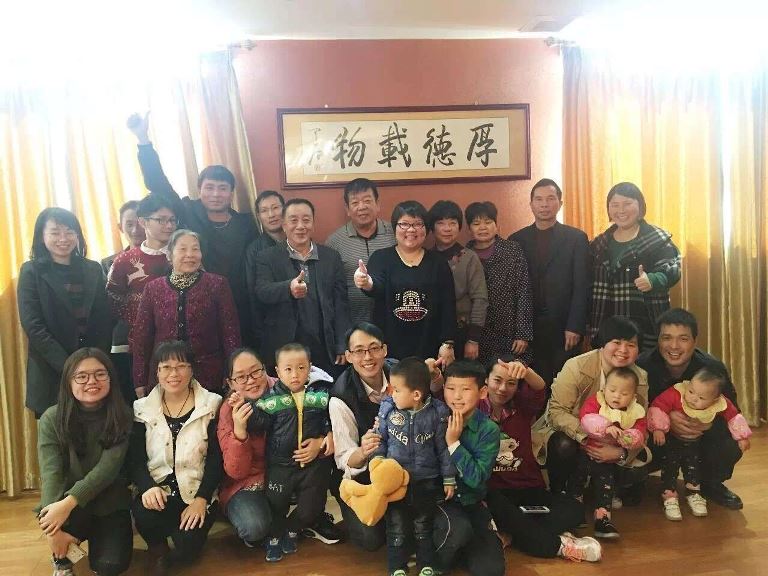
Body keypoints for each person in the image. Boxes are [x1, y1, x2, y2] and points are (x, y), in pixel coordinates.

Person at [127, 113, 258, 346]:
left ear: (231, 193)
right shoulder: (187, 211)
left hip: (239, 304)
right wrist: (143, 140)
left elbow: (254, 265)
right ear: (200, 189)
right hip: (195, 304)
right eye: (209, 187)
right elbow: (158, 183)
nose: (216, 194)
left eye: (222, 188)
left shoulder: (245, 224)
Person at [481, 358, 600, 562]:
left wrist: (525, 371)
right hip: (496, 492)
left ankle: (514, 534)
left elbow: (539, 388)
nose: (502, 388)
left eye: (511, 383)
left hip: (529, 489)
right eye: (497, 380)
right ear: (486, 381)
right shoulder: (474, 411)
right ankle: (558, 546)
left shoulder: (523, 407)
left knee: (575, 510)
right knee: (495, 506)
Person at [128, 340, 223, 575]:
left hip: (195, 491)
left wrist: (202, 499)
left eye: (181, 366)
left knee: (187, 550)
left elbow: (216, 459)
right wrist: (147, 487)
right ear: (157, 372)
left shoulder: (212, 404)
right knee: (145, 514)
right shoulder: (141, 408)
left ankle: (182, 536)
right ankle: (158, 548)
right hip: (159, 491)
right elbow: (135, 458)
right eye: (166, 367)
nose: (174, 374)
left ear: (192, 369)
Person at [637, 307, 746, 509]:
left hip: (699, 438)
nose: (674, 346)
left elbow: (733, 412)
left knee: (730, 444)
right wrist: (665, 420)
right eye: (666, 338)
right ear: (658, 340)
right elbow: (628, 409)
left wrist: (707, 423)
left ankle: (711, 483)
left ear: (695, 341)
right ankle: (634, 481)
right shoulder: (642, 365)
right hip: (657, 437)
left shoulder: (712, 369)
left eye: (683, 339)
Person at [37, 348, 133, 576]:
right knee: (54, 518)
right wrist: (52, 529)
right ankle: (62, 561)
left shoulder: (123, 415)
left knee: (110, 565)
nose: (92, 381)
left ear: (111, 378)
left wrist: (67, 504)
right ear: (68, 381)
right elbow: (52, 474)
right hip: (69, 504)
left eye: (100, 374)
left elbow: (107, 470)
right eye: (81, 376)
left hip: (110, 502)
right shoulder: (51, 418)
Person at [531, 316, 649, 496]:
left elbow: (641, 422)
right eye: (616, 342)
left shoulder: (639, 377)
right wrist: (589, 437)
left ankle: (601, 488)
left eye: (631, 345)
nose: (623, 350)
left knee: (636, 481)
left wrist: (620, 452)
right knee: (564, 445)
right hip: (574, 433)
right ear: (603, 343)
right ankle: (560, 491)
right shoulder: (577, 366)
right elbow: (557, 412)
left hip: (616, 440)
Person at [18, 208, 112, 418]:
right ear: (41, 236)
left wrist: (94, 363)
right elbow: (33, 326)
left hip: (93, 372)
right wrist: (70, 367)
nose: (63, 238)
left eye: (69, 232)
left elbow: (104, 319)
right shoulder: (31, 272)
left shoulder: (92, 269)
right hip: (51, 372)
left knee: (97, 430)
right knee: (57, 432)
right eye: (55, 232)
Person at [245, 343, 335, 563]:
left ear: (310, 368)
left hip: (313, 465)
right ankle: (275, 536)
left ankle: (293, 529)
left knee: (311, 507)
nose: (295, 375)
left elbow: (330, 418)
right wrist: (245, 407)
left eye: (301, 368)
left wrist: (326, 435)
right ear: (277, 371)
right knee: (276, 505)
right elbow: (257, 424)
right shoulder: (271, 399)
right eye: (288, 369)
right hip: (280, 465)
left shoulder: (321, 395)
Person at [372, 357, 456, 576]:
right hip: (395, 482)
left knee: (423, 526)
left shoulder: (438, 412)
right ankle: (396, 567)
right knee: (396, 527)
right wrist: (377, 465)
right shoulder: (388, 408)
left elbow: (443, 448)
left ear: (416, 394)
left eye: (397, 389)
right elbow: (380, 440)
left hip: (426, 481)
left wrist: (448, 477)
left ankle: (427, 564)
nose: (391, 393)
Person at [132, 229, 241, 396]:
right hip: (166, 378)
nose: (190, 254)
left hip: (209, 377)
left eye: (195, 249)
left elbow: (230, 334)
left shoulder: (217, 284)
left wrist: (233, 374)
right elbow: (142, 338)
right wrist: (140, 381)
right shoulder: (153, 289)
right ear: (169, 255)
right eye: (182, 249)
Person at [254, 198, 350, 375]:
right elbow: (262, 291)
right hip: (285, 346)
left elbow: (341, 304)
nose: (300, 226)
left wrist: (342, 344)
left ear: (313, 224)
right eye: (293, 220)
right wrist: (288, 288)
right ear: (284, 225)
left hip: (324, 344)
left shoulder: (331, 257)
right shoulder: (266, 257)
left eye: (306, 220)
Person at [510, 178, 590, 384]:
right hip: (529, 326)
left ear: (560, 203)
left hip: (564, 325)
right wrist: (518, 329)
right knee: (532, 382)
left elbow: (582, 286)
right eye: (539, 199)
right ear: (531, 204)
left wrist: (575, 326)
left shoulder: (576, 238)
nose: (544, 204)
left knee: (565, 380)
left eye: (550, 198)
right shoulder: (517, 239)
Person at [355, 201, 457, 363]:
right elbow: (376, 287)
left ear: (426, 229)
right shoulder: (381, 258)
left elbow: (448, 304)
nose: (411, 229)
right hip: (389, 346)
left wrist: (448, 343)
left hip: (429, 344)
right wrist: (366, 282)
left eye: (418, 224)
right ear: (394, 228)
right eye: (404, 224)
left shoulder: (438, 262)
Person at [648, 365, 751, 520]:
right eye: (691, 391)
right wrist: (659, 428)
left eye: (701, 398)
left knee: (693, 467)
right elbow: (658, 406)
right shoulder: (677, 393)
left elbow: (733, 416)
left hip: (695, 443)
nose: (693, 398)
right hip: (672, 442)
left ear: (714, 400)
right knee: (670, 466)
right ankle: (669, 494)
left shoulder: (720, 404)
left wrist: (742, 436)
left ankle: (694, 492)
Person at [588, 182, 681, 350]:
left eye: (627, 204)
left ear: (640, 206)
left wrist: (653, 279)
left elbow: (672, 269)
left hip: (645, 324)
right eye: (615, 205)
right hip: (605, 324)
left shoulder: (657, 239)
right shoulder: (598, 244)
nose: (621, 210)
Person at [329, 322, 395, 551]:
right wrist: (363, 451)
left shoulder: (400, 374)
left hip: (401, 465)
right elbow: (344, 459)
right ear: (348, 356)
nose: (367, 357)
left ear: (384, 350)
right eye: (359, 351)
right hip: (360, 476)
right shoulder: (340, 396)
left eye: (374, 348)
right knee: (370, 539)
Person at [107, 194, 176, 401]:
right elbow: (112, 300)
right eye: (161, 220)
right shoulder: (125, 261)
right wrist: (141, 322)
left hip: (182, 345)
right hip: (142, 348)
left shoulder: (183, 254)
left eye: (172, 220)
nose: (168, 226)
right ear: (143, 222)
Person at [568, 367, 647, 539]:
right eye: (612, 390)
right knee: (576, 481)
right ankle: (574, 511)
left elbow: (640, 431)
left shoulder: (635, 412)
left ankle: (603, 518)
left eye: (624, 393)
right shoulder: (596, 401)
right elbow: (585, 417)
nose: (617, 396)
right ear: (604, 389)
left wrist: (629, 438)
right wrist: (605, 427)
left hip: (608, 460)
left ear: (633, 396)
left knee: (605, 486)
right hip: (586, 452)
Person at [217, 348, 276, 548]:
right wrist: (240, 432)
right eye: (241, 377)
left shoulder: (284, 390)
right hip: (248, 482)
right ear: (231, 383)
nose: (250, 380)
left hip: (286, 474)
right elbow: (236, 471)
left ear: (265, 369)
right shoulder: (228, 409)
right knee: (254, 526)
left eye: (255, 371)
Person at [465, 201, 534, 366]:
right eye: (476, 223)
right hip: (476, 333)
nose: (483, 227)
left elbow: (524, 291)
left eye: (488, 222)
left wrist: (523, 334)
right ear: (469, 228)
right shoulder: (464, 254)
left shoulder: (512, 250)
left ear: (496, 225)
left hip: (509, 331)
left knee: (509, 375)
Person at [326, 178, 396, 323]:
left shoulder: (395, 234)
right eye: (355, 202)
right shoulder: (334, 242)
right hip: (352, 323)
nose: (362, 207)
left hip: (392, 320)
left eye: (367, 200)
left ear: (377, 204)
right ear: (347, 209)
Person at [427, 200, 488, 360]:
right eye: (441, 223)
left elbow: (480, 299)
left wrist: (473, 339)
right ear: (432, 228)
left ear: (459, 226)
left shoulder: (469, 257)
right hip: (429, 332)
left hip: (462, 333)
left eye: (452, 223)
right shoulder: (425, 258)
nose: (447, 228)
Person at [101, 200, 145, 403]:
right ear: (120, 227)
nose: (136, 230)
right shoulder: (108, 264)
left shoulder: (167, 260)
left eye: (140, 223)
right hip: (122, 345)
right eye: (129, 224)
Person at [245, 190, 287, 351]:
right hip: (271, 325)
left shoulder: (298, 240)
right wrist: (259, 332)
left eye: (275, 207)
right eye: (264, 210)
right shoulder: (254, 250)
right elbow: (252, 292)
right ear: (258, 216)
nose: (271, 215)